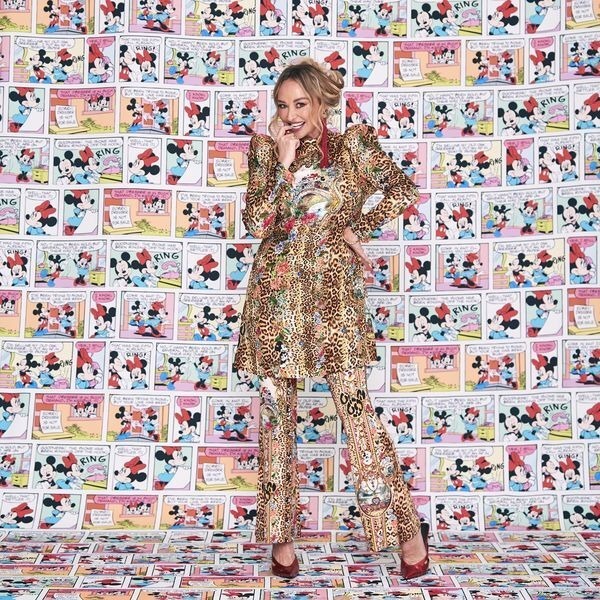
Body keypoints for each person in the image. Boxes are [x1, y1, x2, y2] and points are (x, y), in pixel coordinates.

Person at [232, 57, 429, 580]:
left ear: (321, 103)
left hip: (334, 298)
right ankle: (282, 541)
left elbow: (402, 189)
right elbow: (258, 222)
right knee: (276, 420)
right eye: (282, 106)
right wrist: (282, 162)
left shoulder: (352, 146)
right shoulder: (265, 150)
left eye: (301, 104)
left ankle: (405, 530)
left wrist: (356, 228)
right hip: (276, 301)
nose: (291, 115)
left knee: (357, 415)